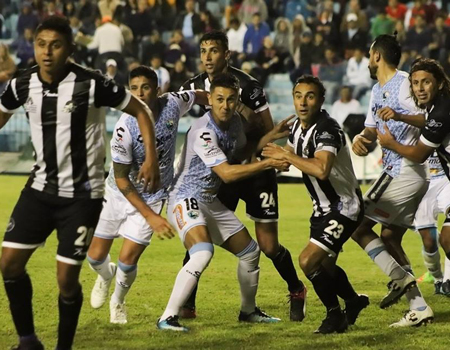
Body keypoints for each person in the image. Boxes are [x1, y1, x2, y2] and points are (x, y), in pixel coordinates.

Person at [0, 17, 160, 350]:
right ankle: (28, 341)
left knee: (65, 280)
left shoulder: (92, 83)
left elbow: (141, 111)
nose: (47, 52)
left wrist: (151, 157)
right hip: (39, 189)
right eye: (41, 44)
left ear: (70, 49)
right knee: (9, 264)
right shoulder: (21, 84)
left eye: (55, 45)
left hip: (82, 196)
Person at [179, 30, 307, 322]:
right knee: (202, 236)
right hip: (227, 173)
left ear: (227, 54)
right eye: (203, 50)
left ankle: (296, 289)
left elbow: (266, 129)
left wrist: (264, 155)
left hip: (256, 172)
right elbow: (174, 111)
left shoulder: (249, 86)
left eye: (214, 50)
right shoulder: (193, 86)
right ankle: (187, 304)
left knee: (268, 246)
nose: (207, 57)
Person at [157, 72, 284, 332]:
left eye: (230, 100)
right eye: (219, 100)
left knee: (250, 252)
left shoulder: (236, 122)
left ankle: (248, 312)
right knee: (203, 252)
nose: (225, 106)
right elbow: (226, 173)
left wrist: (269, 136)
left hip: (208, 200)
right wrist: (269, 163)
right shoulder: (204, 131)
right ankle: (168, 317)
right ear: (210, 101)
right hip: (184, 197)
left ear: (237, 100)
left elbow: (240, 153)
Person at [86, 66, 208, 324]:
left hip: (153, 196)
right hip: (118, 194)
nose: (139, 93)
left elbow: (197, 95)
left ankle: (118, 302)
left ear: (158, 89)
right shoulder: (124, 127)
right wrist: (151, 218)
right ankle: (106, 275)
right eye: (134, 88)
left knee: (127, 261)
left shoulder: (173, 103)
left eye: (146, 87)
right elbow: (121, 179)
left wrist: (223, 102)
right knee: (94, 256)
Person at [262, 75, 368, 334]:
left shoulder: (328, 129)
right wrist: (268, 159)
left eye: (310, 96)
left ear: (320, 101)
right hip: (321, 208)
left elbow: (321, 169)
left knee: (308, 261)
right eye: (298, 96)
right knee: (326, 266)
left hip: (344, 206)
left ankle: (334, 316)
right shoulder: (297, 128)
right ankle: (353, 301)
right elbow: (286, 160)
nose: (303, 102)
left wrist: (286, 154)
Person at [351, 35, 433, 327]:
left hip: (404, 170)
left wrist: (399, 116)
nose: (367, 59)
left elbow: (432, 119)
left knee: (355, 224)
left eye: (369, 55)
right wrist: (361, 140)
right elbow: (371, 132)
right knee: (389, 237)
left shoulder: (404, 84)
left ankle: (401, 280)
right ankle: (418, 306)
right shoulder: (376, 90)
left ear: (376, 56)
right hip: (398, 170)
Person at [377, 57, 450, 296]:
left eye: (426, 82)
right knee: (446, 239)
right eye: (415, 82)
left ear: (439, 84)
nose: (419, 87)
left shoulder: (441, 110)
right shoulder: (438, 106)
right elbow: (427, 120)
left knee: (447, 239)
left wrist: (391, 143)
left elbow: (419, 154)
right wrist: (399, 117)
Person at [413, 150, 450, 295]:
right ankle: (438, 279)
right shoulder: (411, 128)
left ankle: (448, 280)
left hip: (446, 180)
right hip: (423, 183)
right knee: (429, 241)